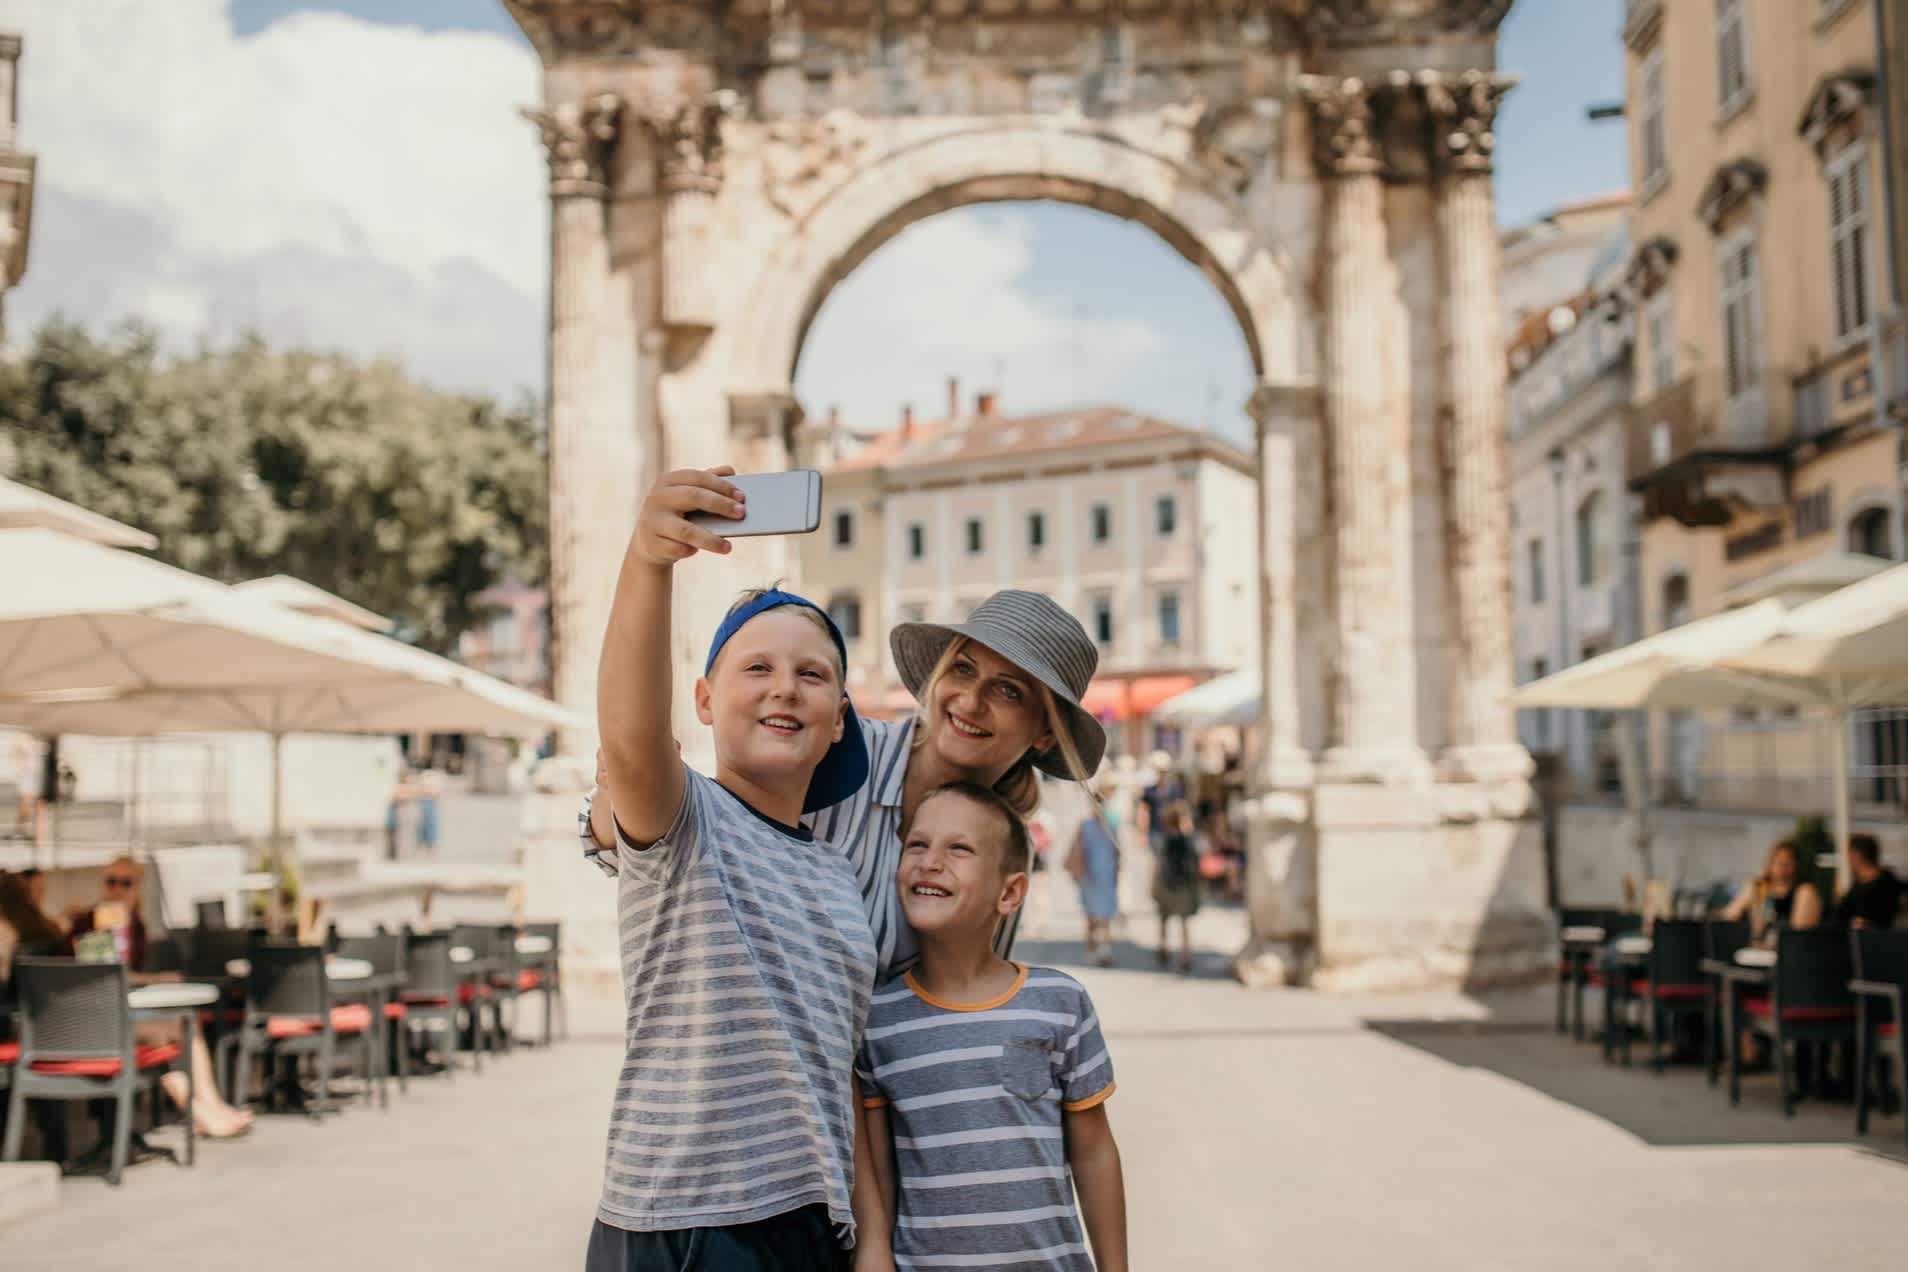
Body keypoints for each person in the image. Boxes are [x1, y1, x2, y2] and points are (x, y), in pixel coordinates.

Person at [588, 466, 888, 1271]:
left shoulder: (836, 875)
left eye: (812, 674)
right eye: (756, 667)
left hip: (811, 1226)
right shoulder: (685, 819)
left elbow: (836, 1068)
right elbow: (627, 739)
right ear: (705, 700)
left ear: (837, 725)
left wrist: (873, 1240)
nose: (784, 687)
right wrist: (648, 562)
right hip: (687, 1222)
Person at [583, 587, 1108, 983]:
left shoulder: (1002, 849)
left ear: (1043, 731)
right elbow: (682, 833)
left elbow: (965, 1002)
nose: (971, 701)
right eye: (964, 670)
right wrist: (618, 797)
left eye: (1009, 691)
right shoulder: (838, 750)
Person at [858, 783, 1127, 1272]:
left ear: (1009, 893)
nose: (930, 860)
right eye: (917, 844)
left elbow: (1094, 1153)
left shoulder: (1060, 1003)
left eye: (958, 848)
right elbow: (879, 1175)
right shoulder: (878, 1020)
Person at [67, 857, 253, 1139]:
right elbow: (102, 973)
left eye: (125, 883)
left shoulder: (136, 924)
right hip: (92, 1018)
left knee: (187, 1024)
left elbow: (130, 973)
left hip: (123, 1011)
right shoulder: (88, 922)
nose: (117, 889)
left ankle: (211, 1105)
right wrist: (152, 978)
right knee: (164, 1036)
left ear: (136, 887)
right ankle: (199, 1113)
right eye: (111, 881)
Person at [1720, 839, 1823, 942]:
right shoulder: (1762, 889)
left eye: (1788, 860)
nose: (1782, 865)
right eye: (1778, 860)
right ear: (1770, 863)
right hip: (1762, 949)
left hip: (1790, 949)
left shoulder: (1804, 892)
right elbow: (1730, 915)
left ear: (1797, 864)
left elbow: (1800, 935)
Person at [1069, 771, 1121, 967]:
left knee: (1092, 914)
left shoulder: (1086, 824)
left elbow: (1076, 849)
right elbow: (1117, 852)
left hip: (1092, 874)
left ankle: (1094, 949)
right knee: (1102, 914)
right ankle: (1102, 949)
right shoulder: (1110, 823)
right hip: (1101, 873)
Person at [1152, 801, 1201, 972]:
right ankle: (1184, 954)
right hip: (1182, 885)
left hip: (1167, 883)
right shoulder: (1188, 840)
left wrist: (1153, 883)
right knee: (1183, 920)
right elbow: (1195, 863)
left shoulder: (1164, 839)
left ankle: (1164, 946)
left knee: (1164, 918)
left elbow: (1157, 863)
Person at [1836, 833, 1903, 929]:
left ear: (1857, 855)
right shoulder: (1859, 882)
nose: (1847, 859)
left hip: (1870, 939)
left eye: (1848, 853)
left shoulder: (1883, 883)